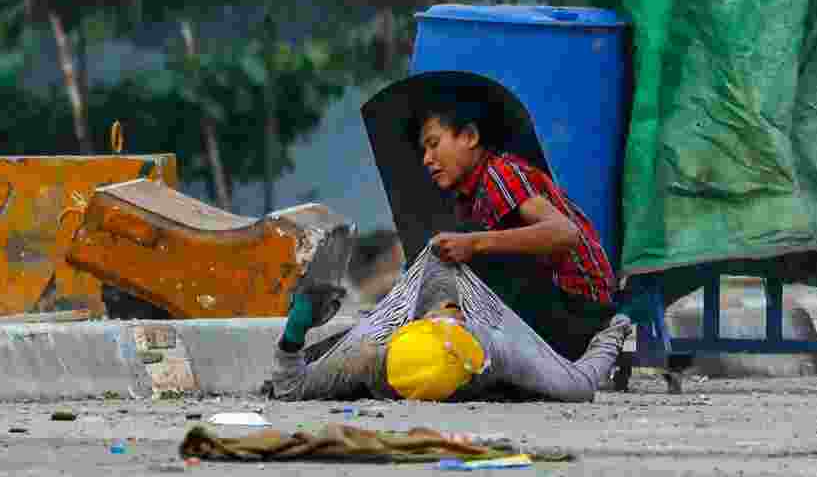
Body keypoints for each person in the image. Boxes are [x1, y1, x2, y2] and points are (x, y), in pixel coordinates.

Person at [269, 247, 630, 402]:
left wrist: (294, 335)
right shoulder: (490, 349)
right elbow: (580, 384)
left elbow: (291, 388)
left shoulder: (373, 357)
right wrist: (612, 336)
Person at [413, 94, 619, 362]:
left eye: (434, 144)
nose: (427, 159)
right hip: (553, 310)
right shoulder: (468, 199)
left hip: (579, 312)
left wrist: (473, 243)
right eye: (424, 151)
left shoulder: (499, 173)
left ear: (469, 136)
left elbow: (565, 233)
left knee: (468, 256)